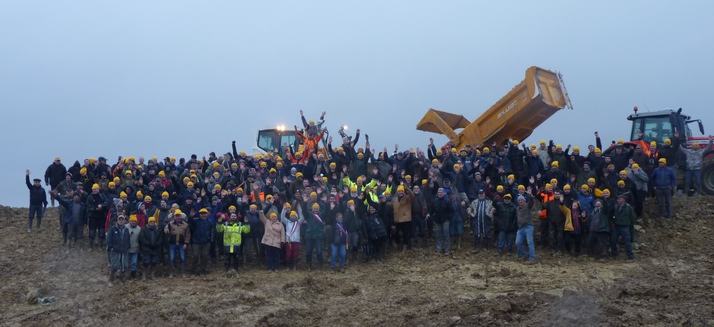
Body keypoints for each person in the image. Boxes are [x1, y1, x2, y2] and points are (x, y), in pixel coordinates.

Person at [164, 209, 191, 278]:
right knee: (171, 258)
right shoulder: (170, 224)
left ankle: (183, 272)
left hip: (181, 244)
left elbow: (188, 235)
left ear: (181, 216)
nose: (178, 217)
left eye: (179, 216)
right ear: (174, 217)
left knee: (182, 258)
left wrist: (186, 243)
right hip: (172, 244)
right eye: (176, 216)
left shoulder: (185, 225)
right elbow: (166, 230)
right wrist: (167, 230)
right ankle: (171, 272)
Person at [427, 188, 454, 255]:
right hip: (437, 220)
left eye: (441, 192)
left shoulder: (447, 201)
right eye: (439, 192)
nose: (440, 193)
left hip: (445, 220)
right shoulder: (435, 201)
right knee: (438, 235)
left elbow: (451, 211)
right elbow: (431, 210)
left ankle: (447, 249)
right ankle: (438, 249)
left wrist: (448, 218)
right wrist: (429, 214)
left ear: (444, 193)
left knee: (446, 235)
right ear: (437, 193)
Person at [106, 215, 130, 286]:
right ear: (117, 220)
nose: (121, 221)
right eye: (120, 220)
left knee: (124, 266)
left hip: (124, 250)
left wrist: (128, 246)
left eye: (122, 220)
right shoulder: (113, 229)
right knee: (114, 266)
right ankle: (110, 280)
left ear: (124, 221)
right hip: (115, 250)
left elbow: (128, 239)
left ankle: (121, 280)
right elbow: (108, 239)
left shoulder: (126, 229)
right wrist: (111, 247)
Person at [190, 208, 215, 275]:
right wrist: (191, 217)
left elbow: (212, 232)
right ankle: (193, 271)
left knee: (204, 256)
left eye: (204, 213)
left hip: (206, 242)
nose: (203, 215)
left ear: (207, 214)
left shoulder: (210, 222)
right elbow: (189, 224)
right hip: (196, 242)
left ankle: (202, 271)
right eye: (201, 213)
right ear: (199, 214)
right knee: (195, 256)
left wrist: (210, 240)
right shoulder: (195, 221)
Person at [611, 195, 635, 260]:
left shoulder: (629, 207)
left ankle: (630, 256)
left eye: (619, 199)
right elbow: (613, 215)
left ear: (623, 200)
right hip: (617, 226)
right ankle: (614, 254)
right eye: (618, 199)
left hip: (625, 226)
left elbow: (632, 217)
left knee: (627, 242)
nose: (618, 200)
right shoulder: (616, 206)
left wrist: (630, 224)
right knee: (613, 240)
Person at [391, 184, 414, 252]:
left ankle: (405, 247)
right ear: (397, 192)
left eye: (402, 191)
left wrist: (407, 189)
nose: (401, 192)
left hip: (406, 219)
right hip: (397, 220)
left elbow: (412, 195)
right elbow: (389, 207)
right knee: (396, 234)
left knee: (405, 234)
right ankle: (398, 245)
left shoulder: (408, 198)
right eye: (399, 191)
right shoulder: (394, 200)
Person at [303, 202, 326, 270]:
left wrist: (325, 202)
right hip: (309, 236)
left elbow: (326, 211)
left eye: (317, 208)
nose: (315, 210)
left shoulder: (321, 215)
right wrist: (304, 203)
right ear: (312, 209)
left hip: (318, 236)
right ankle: (309, 265)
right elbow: (304, 211)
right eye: (314, 208)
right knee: (308, 251)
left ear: (319, 209)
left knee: (319, 251)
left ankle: (319, 266)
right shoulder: (309, 215)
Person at [515, 195, 536, 263]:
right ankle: (524, 255)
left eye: (522, 200)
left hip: (528, 227)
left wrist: (530, 195)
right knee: (518, 242)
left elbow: (532, 202)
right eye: (519, 200)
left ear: (524, 200)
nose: (520, 201)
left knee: (530, 242)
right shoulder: (517, 209)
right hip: (520, 228)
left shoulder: (528, 206)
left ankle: (532, 258)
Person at [281, 206, 304, 271]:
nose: (292, 217)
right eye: (291, 216)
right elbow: (282, 217)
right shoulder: (287, 222)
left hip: (296, 241)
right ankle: (288, 266)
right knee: (288, 254)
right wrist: (284, 209)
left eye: (294, 216)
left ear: (296, 217)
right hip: (289, 241)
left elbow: (302, 218)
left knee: (295, 254)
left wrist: (300, 210)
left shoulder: (298, 222)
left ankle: (294, 266)